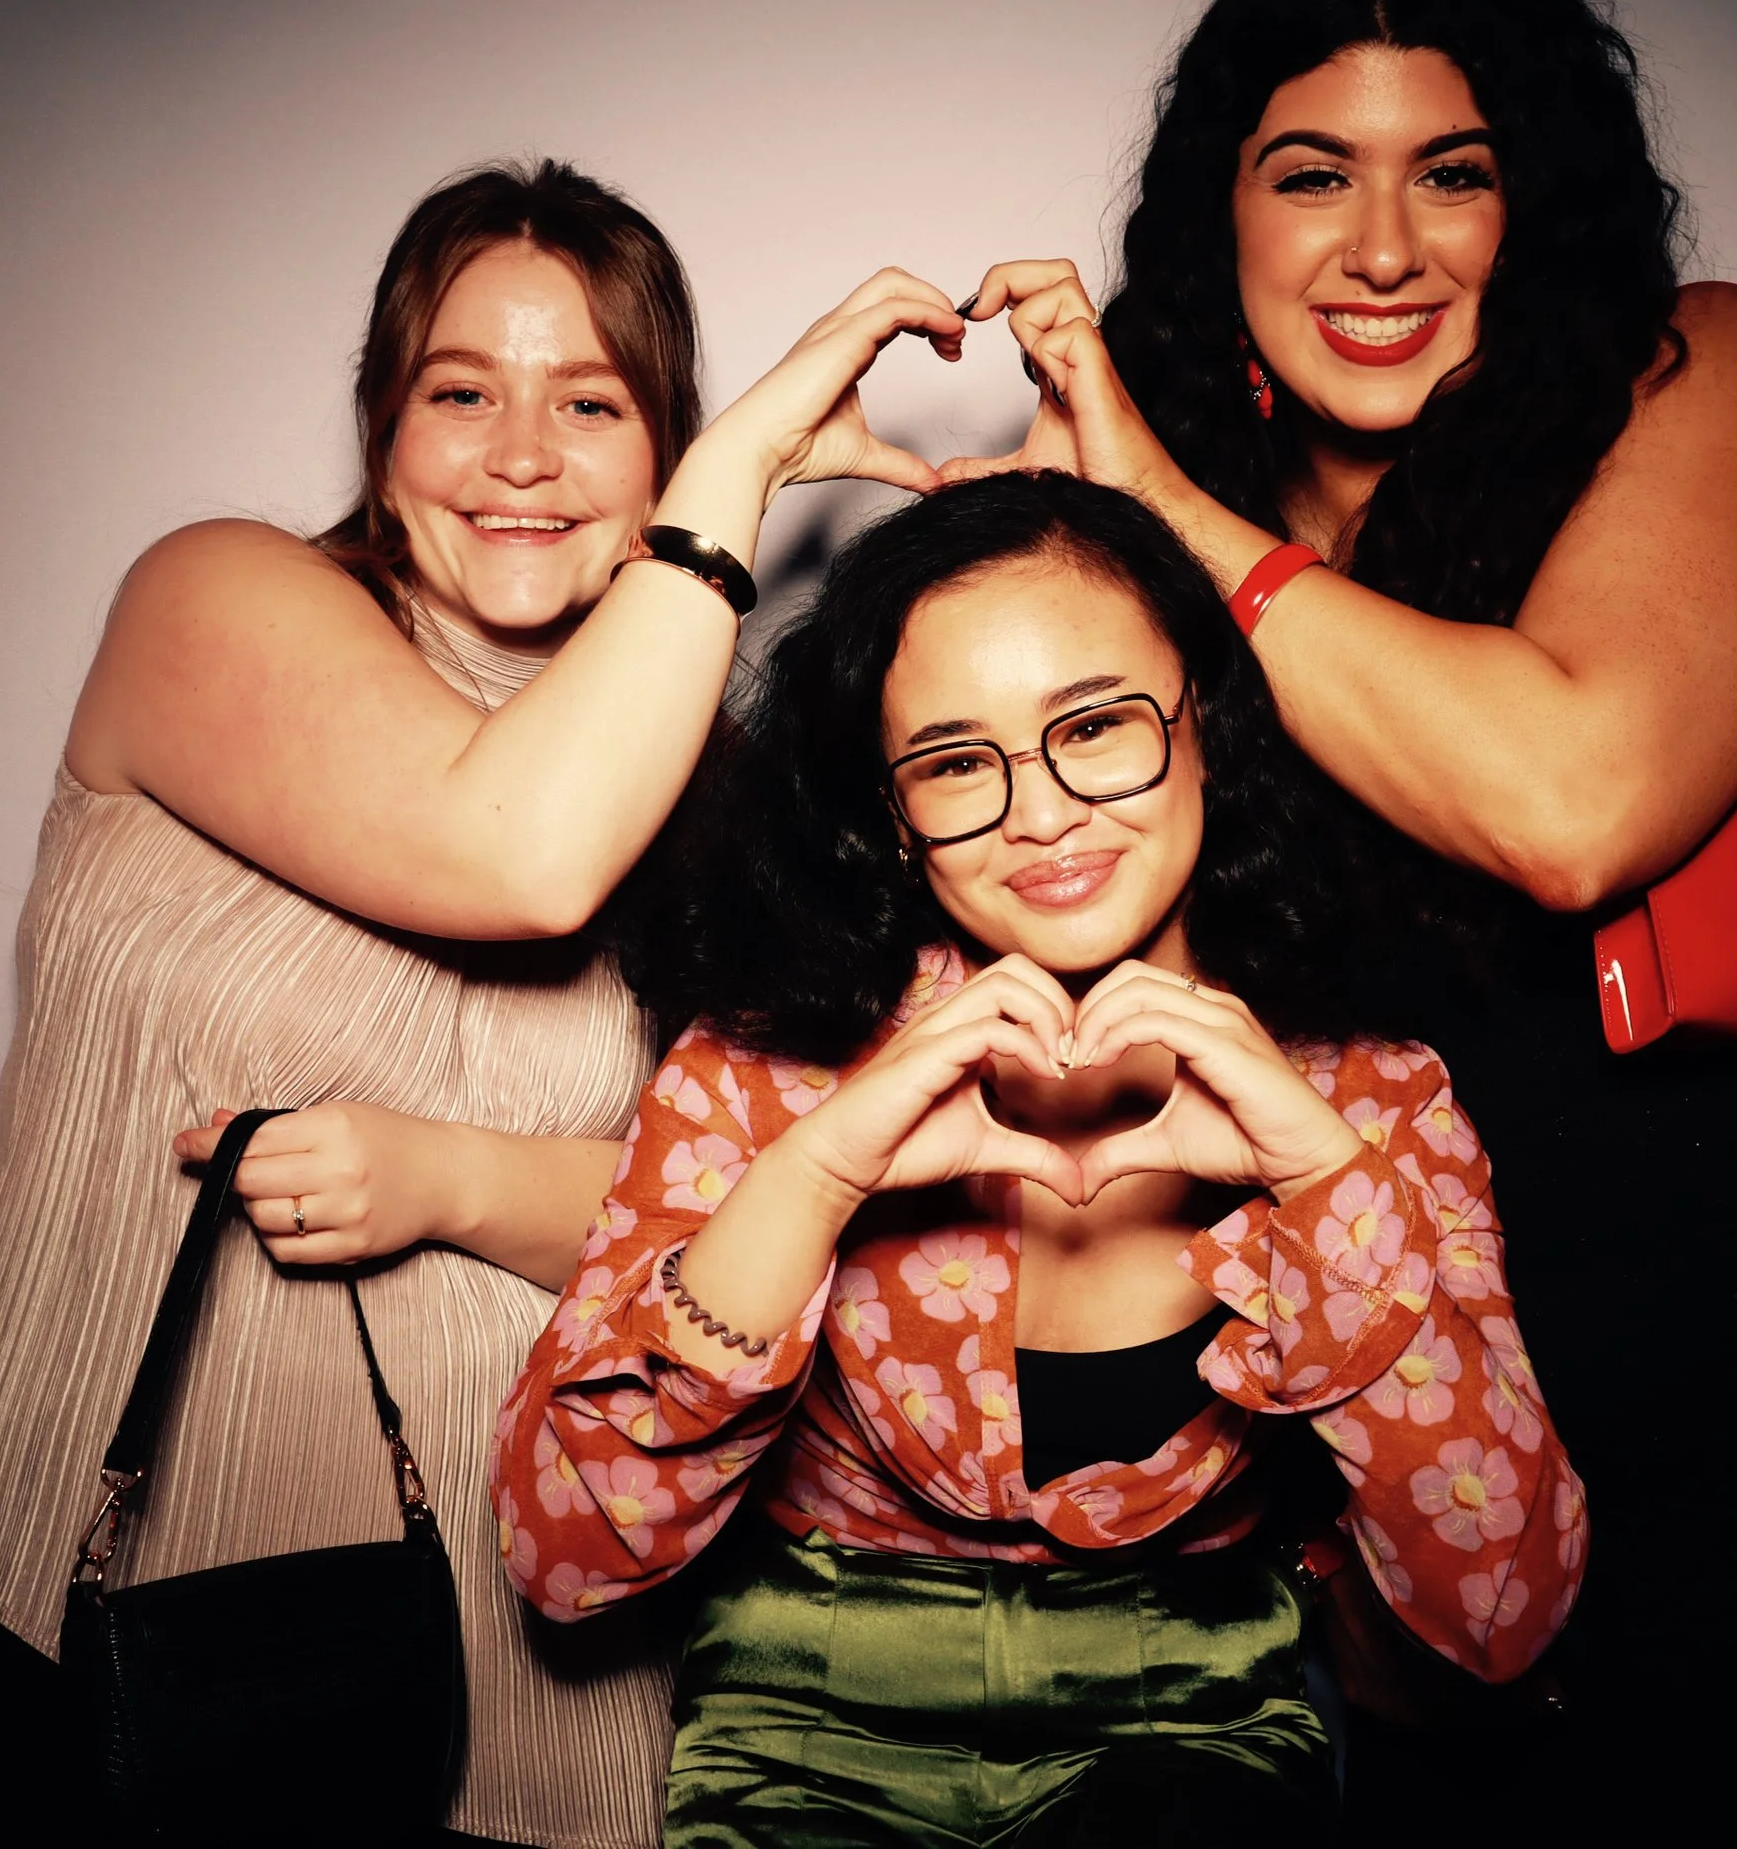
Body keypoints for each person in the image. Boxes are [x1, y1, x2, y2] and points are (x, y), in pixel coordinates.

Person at [945, 0, 1737, 1837]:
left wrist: (1151, 504)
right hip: (1446, 1387)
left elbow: (1571, 808)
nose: (1385, 246)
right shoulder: (1167, 541)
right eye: (1314, 174)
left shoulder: (1704, 370)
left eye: (1456, 176)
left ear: (1535, 208)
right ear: (1219, 220)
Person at [0, 158, 975, 1846]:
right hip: (107, 1609)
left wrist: (443, 1178)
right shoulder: (213, 598)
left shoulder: (723, 788)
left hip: (539, 1682)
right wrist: (735, 476)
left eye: (591, 402)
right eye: (461, 391)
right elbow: (513, 846)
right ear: (383, 424)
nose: (521, 454)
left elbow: (764, 1222)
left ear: (654, 445)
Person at [493, 470, 1586, 1848]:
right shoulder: (771, 1066)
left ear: (1209, 726)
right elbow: (564, 1556)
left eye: (1095, 726)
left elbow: (1504, 1617)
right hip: (806, 1733)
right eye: (957, 761)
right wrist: (818, 1173)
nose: (1040, 812)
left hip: (1199, 1736)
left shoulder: (1370, 1091)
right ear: (892, 814)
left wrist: (1324, 1187)